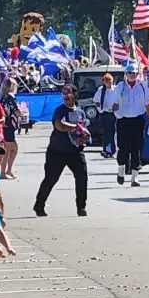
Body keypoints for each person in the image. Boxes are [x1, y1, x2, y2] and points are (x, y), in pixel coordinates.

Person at [34, 84, 89, 216]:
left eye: (68, 93)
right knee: (51, 179)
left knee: (82, 177)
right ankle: (39, 205)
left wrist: (85, 137)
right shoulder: (60, 110)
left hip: (75, 152)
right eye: (63, 93)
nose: (65, 95)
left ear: (75, 95)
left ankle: (81, 207)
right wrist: (76, 128)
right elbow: (59, 125)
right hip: (57, 151)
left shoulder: (80, 112)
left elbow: (84, 130)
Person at [109, 61, 149, 187]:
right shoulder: (120, 87)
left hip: (138, 120)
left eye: (134, 73)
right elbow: (114, 104)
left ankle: (135, 178)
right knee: (123, 148)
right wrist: (116, 111)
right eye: (130, 73)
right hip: (123, 120)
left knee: (137, 149)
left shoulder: (143, 86)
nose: (132, 75)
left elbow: (148, 104)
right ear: (126, 74)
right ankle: (121, 170)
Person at [0, 78, 21, 179]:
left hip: (6, 124)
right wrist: (21, 112)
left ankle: (9, 170)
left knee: (14, 148)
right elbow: (16, 110)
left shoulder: (2, 97)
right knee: (8, 148)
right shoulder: (10, 97)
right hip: (8, 124)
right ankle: (3, 172)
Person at [93, 73, 117, 158]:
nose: (108, 83)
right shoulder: (101, 90)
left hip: (115, 114)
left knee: (114, 133)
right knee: (106, 133)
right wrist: (100, 107)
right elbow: (95, 100)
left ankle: (114, 150)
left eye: (110, 81)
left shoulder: (116, 89)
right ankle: (107, 150)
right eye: (106, 81)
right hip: (105, 113)